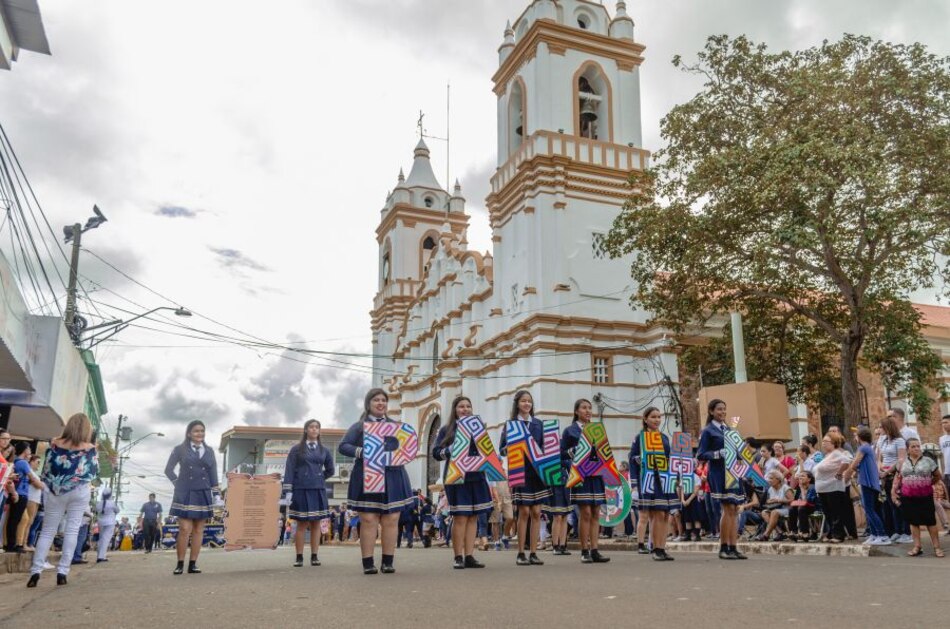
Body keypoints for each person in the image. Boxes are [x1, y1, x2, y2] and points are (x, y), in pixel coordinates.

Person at [338, 388, 414, 575]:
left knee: (392, 518)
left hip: (393, 475)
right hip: (367, 475)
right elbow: (343, 446)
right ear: (368, 404)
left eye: (383, 400)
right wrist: (363, 452)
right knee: (369, 519)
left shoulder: (397, 426)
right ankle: (368, 563)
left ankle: (388, 562)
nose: (380, 403)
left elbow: (406, 448)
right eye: (376, 400)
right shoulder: (359, 426)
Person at [26, 413, 99, 588]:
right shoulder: (90, 448)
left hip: (55, 490)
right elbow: (93, 472)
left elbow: (46, 469)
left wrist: (54, 484)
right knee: (72, 530)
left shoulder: (54, 444)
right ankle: (62, 572)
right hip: (79, 490)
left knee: (47, 531)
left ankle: (36, 572)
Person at [432, 396, 494, 569]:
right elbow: (436, 453)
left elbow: (488, 452)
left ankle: (469, 556)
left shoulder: (479, 429)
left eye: (468, 406)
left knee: (474, 516)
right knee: (460, 517)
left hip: (477, 476)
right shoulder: (446, 430)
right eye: (461, 406)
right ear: (455, 410)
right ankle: (457, 556)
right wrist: (449, 450)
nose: (465, 409)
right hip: (456, 477)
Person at [499, 390, 553, 566]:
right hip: (520, 472)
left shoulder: (539, 424)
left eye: (529, 401)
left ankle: (534, 552)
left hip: (537, 474)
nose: (527, 404)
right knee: (523, 512)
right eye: (523, 401)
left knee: (537, 512)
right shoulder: (511, 425)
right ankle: (521, 552)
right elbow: (501, 449)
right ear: (517, 404)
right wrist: (510, 447)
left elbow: (547, 448)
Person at [164, 419, 220, 575]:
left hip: (203, 492)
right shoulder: (179, 449)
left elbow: (213, 472)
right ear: (189, 433)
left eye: (202, 431)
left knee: (198, 529)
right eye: (196, 431)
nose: (200, 433)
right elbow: (168, 470)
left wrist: (216, 494)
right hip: (185, 491)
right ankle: (180, 563)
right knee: (184, 528)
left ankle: (193, 563)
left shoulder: (209, 451)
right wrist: (178, 483)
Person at [561, 398, 610, 563]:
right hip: (580, 476)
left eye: (590, 408)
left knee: (596, 513)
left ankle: (595, 549)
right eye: (584, 408)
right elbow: (561, 454)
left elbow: (604, 452)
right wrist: (572, 453)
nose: (588, 411)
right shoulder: (570, 431)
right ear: (576, 411)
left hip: (596, 476)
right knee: (585, 513)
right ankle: (584, 550)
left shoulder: (597, 430)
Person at [697, 399, 747, 559]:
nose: (723, 412)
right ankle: (723, 547)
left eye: (724, 409)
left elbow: (738, 452)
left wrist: (740, 452)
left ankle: (733, 546)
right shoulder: (708, 431)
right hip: (718, 472)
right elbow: (701, 454)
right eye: (719, 409)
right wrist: (718, 453)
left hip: (733, 472)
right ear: (711, 411)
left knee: (734, 509)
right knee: (726, 509)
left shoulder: (730, 430)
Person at [282, 419, 334, 567]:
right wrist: (288, 491)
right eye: (311, 427)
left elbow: (331, 469)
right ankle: (299, 557)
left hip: (317, 489)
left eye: (317, 427)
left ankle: (314, 556)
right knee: (302, 524)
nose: (314, 429)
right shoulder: (296, 449)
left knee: (316, 523)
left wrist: (318, 477)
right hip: (301, 489)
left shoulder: (324, 450)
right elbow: (289, 470)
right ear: (306, 430)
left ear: (319, 431)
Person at [630, 406, 678, 561]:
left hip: (665, 479)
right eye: (653, 417)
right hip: (649, 479)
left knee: (665, 514)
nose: (657, 420)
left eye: (659, 417)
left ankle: (662, 548)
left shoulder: (664, 437)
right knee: (656, 514)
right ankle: (655, 548)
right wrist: (635, 481)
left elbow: (670, 458)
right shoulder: (640, 437)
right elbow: (632, 458)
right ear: (645, 419)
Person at [892, 437, 944, 557]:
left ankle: (937, 548)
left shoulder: (928, 461)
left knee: (930, 521)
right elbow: (898, 478)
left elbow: (937, 475)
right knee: (913, 522)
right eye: (913, 446)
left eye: (918, 446)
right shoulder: (902, 462)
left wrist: (927, 483)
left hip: (925, 496)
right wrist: (893, 491)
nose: (916, 448)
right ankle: (917, 547)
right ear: (907, 449)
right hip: (908, 497)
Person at [843, 426, 890, 545]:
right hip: (867, 482)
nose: (854, 438)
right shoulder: (866, 448)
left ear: (859, 437)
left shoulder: (863, 448)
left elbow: (854, 464)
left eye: (855, 436)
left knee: (869, 509)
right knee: (868, 509)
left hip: (868, 483)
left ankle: (882, 535)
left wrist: (846, 475)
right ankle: (874, 534)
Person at [813, 432, 853, 543]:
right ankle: (832, 533)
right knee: (828, 512)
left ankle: (839, 535)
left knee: (835, 512)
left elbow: (847, 461)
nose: (824, 444)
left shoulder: (836, 453)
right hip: (823, 488)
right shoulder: (827, 456)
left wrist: (840, 473)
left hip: (833, 487)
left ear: (834, 443)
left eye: (826, 442)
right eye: (823, 442)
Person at [877, 416, 911, 543]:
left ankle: (906, 532)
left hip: (895, 475)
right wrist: (880, 468)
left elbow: (901, 459)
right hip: (884, 474)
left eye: (882, 427)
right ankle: (897, 530)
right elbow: (879, 457)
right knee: (890, 504)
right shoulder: (883, 440)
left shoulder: (899, 440)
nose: (880, 430)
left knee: (899, 503)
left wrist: (887, 471)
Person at [6, 442, 43, 552]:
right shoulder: (23, 463)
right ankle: (13, 544)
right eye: (29, 449)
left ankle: (15, 544)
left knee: (17, 519)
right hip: (20, 493)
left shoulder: (18, 462)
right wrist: (42, 485)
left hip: (20, 493)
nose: (30, 451)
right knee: (16, 520)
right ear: (25, 450)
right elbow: (32, 478)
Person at [755, 470, 792, 541]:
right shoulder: (770, 489)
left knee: (774, 512)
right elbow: (768, 501)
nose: (769, 480)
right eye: (769, 478)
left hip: (787, 509)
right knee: (764, 512)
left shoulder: (785, 488)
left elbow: (792, 500)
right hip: (775, 509)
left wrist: (778, 500)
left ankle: (766, 535)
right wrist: (769, 501)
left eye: (771, 478)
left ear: (778, 480)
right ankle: (780, 532)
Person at [18, 455, 44, 551]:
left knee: (30, 522)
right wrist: (42, 485)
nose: (38, 464)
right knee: (28, 522)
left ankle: (25, 542)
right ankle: (23, 543)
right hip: (31, 499)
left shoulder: (35, 473)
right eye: (37, 462)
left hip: (35, 500)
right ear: (32, 462)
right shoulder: (30, 472)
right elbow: (38, 485)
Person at [787, 471, 818, 541]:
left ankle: (805, 533)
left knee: (802, 509)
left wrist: (801, 488)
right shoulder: (802, 488)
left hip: (814, 508)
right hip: (805, 507)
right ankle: (793, 531)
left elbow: (806, 501)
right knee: (792, 509)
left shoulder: (812, 487)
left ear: (809, 479)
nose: (800, 477)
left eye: (803, 476)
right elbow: (800, 500)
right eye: (800, 476)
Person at [95, 487, 120, 562]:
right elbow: (117, 510)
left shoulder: (99, 503)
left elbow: (96, 511)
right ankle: (101, 557)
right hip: (110, 522)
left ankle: (100, 555)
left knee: (102, 538)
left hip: (101, 522)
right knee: (106, 539)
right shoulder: (112, 503)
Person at [938, 415, 950, 494]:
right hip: (947, 472)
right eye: (942, 423)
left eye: (946, 422)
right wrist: (942, 471)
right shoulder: (942, 439)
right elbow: (942, 456)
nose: (944, 425)